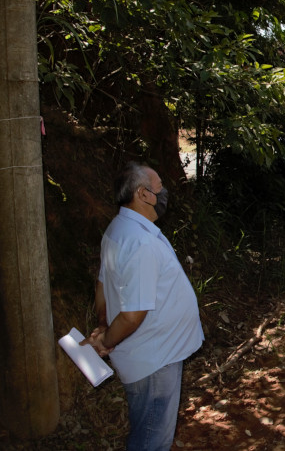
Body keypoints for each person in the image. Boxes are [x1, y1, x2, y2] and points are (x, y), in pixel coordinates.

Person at [81, 162, 204, 451]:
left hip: (150, 354)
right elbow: (133, 315)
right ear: (143, 194)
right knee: (151, 440)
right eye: (159, 187)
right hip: (154, 361)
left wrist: (102, 325)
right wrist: (106, 341)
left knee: (145, 431)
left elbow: (102, 284)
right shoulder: (139, 242)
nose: (164, 193)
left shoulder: (118, 228)